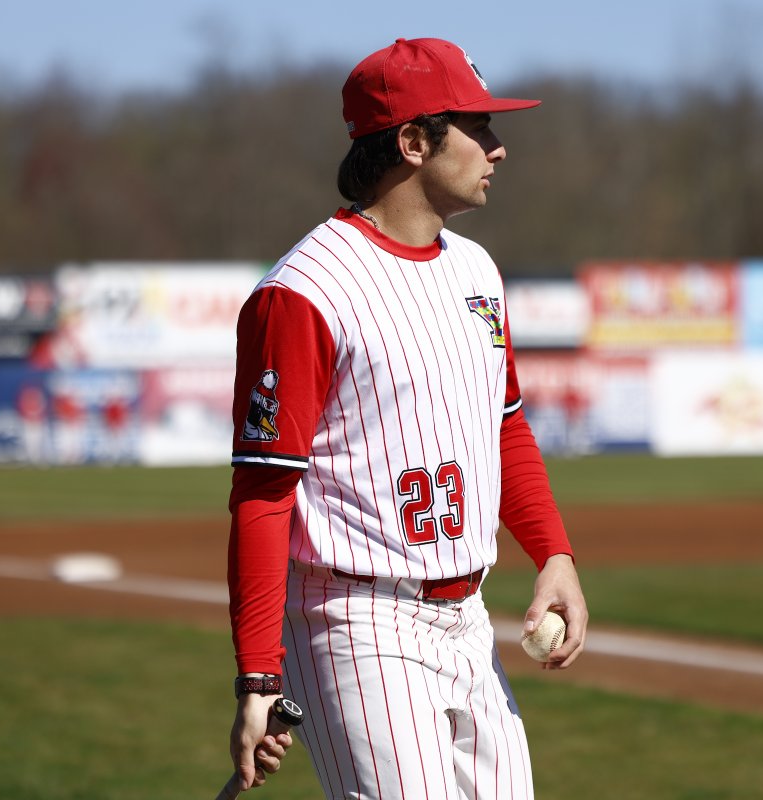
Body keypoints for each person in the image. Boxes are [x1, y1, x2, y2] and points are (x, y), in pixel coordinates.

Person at [226, 36, 588, 799]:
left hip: (468, 617)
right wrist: (258, 677)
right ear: (414, 142)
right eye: (478, 128)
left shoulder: (475, 269)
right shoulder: (305, 290)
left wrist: (554, 554)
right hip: (356, 619)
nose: (499, 146)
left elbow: (505, 424)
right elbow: (263, 493)